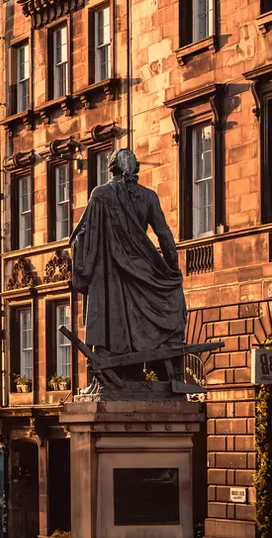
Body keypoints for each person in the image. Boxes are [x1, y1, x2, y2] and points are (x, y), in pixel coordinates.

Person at [69, 149, 187, 378]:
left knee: (114, 318)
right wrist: (172, 271)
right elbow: (165, 236)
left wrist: (84, 256)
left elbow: (82, 237)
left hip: (112, 272)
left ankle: (120, 366)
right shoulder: (149, 196)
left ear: (111, 168)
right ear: (136, 169)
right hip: (143, 269)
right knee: (171, 297)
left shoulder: (100, 194)